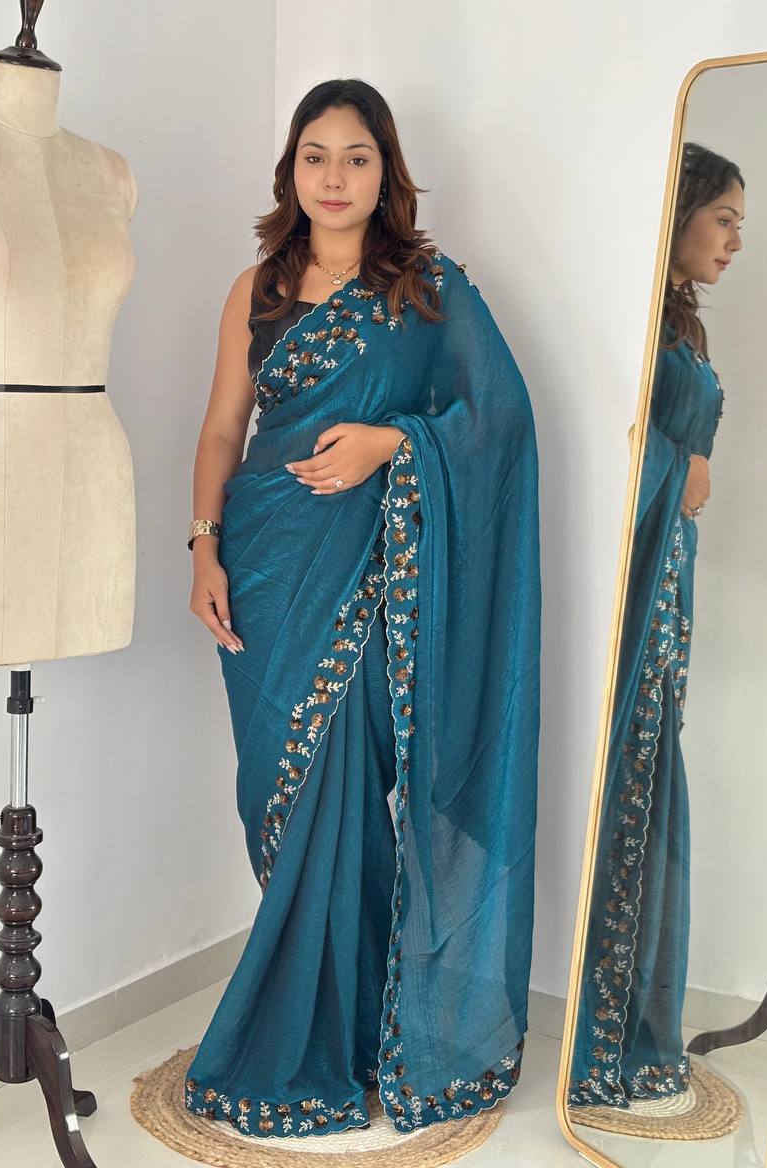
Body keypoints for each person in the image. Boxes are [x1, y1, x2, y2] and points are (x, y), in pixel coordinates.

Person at [184, 79, 540, 1138]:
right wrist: (203, 546)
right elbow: (222, 429)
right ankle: (339, 1024)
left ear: (388, 172)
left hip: (370, 577)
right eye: (315, 156)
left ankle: (337, 1033)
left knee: (343, 785)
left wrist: (397, 442)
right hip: (263, 564)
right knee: (280, 793)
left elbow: (500, 418)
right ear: (289, 171)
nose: (334, 177)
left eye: (356, 157)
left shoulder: (427, 289)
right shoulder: (255, 289)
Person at [569, 143, 743, 1109]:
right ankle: (601, 1036)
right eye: (724, 219)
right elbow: (611, 443)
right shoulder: (637, 313)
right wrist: (684, 465)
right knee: (624, 779)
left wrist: (688, 468)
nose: (735, 242)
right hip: (632, 586)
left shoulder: (686, 326)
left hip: (670, 581)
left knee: (650, 773)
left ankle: (634, 1023)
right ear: (679, 213)